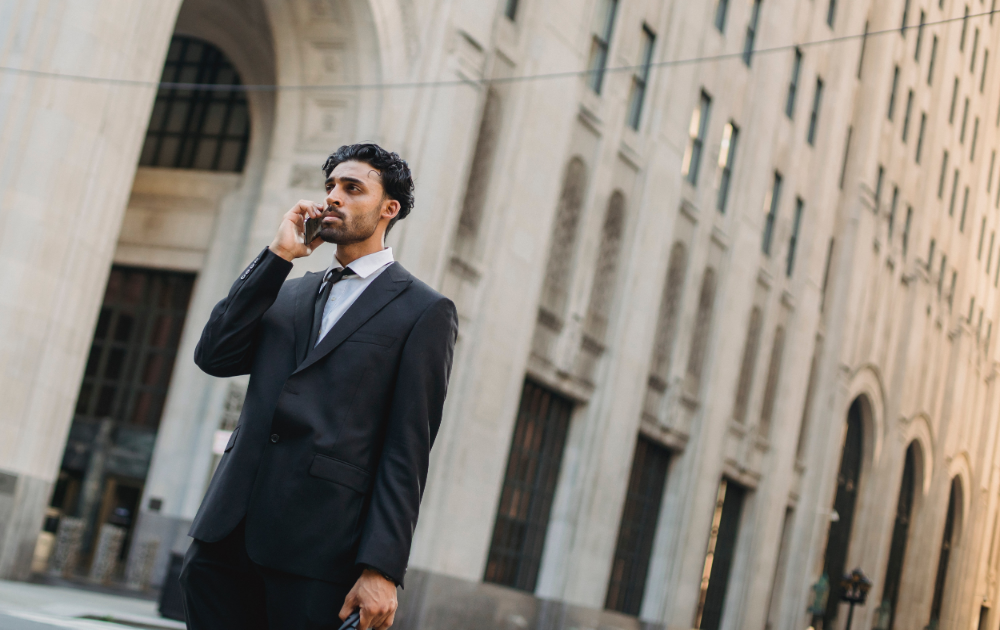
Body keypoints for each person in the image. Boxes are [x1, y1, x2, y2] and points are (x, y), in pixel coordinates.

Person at [179, 143, 458, 630]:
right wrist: (277, 256)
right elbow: (214, 355)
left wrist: (382, 567)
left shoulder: (423, 311)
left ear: (388, 209)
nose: (333, 197)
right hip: (224, 540)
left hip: (318, 553)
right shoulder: (288, 289)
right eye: (330, 187)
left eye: (352, 189)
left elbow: (407, 449)